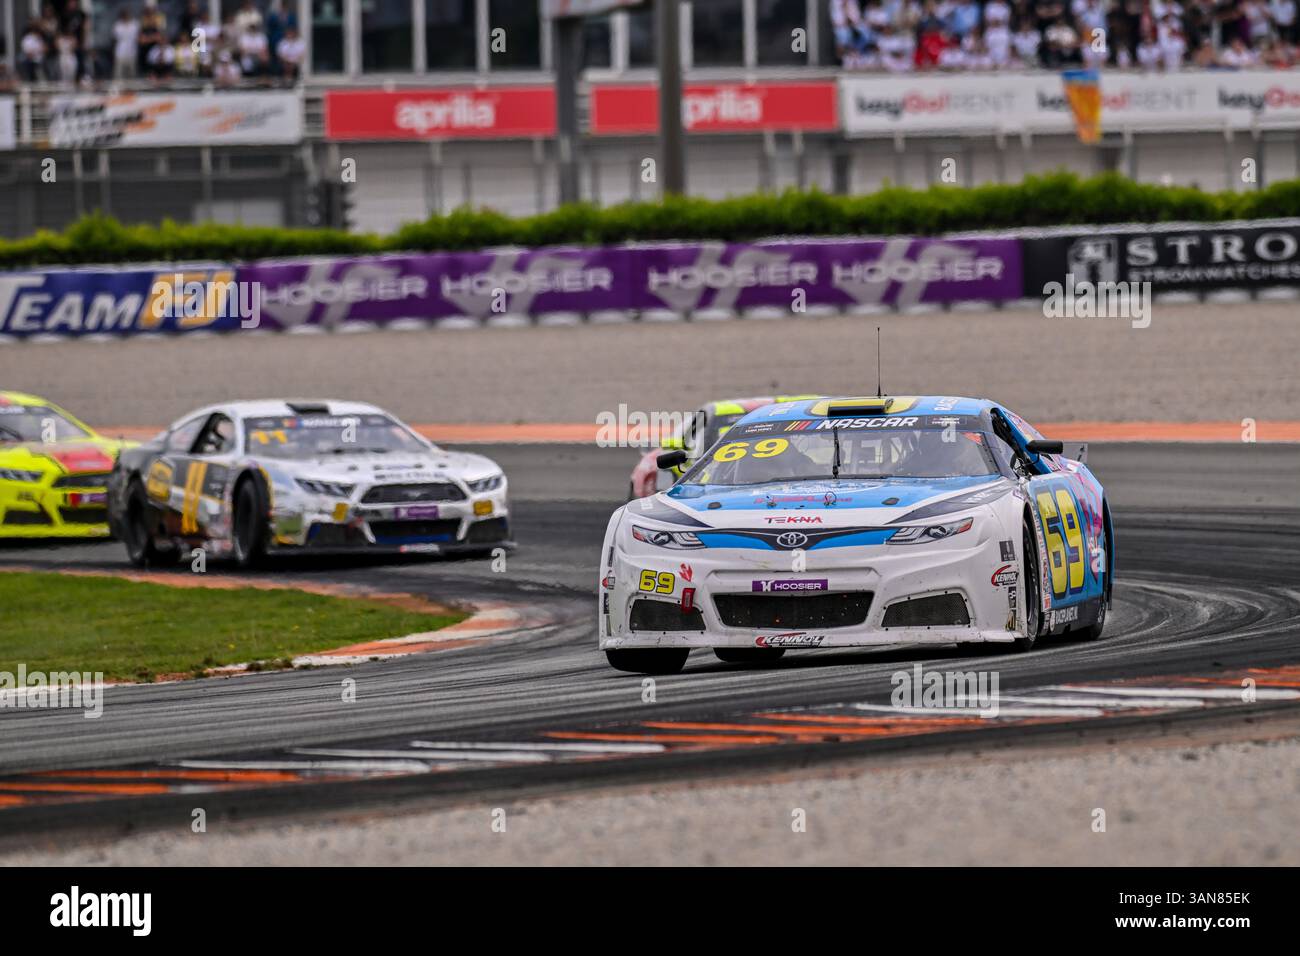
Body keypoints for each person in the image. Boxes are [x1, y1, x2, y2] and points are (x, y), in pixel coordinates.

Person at [112, 8, 139, 80]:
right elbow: (116, 38)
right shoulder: (118, 25)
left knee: (131, 75)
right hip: (120, 52)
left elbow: (137, 37)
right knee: (118, 75)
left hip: (132, 52)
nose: (126, 16)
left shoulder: (135, 24)